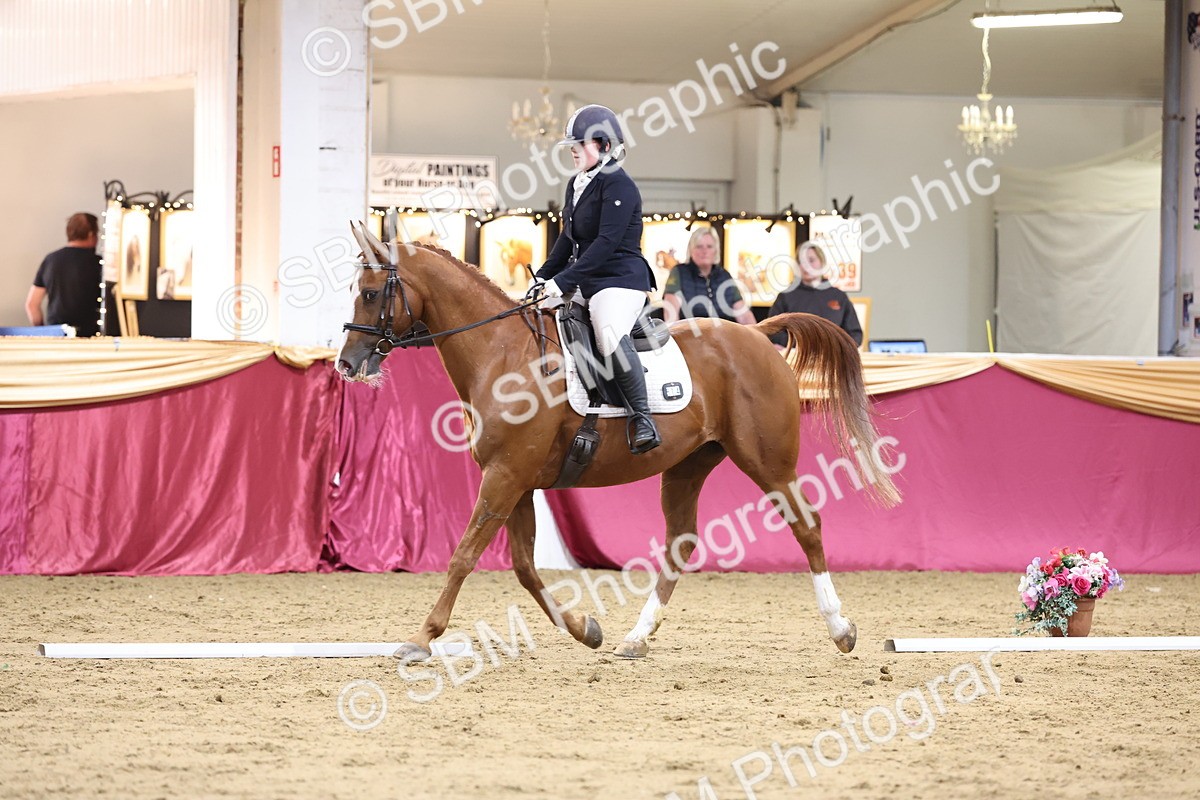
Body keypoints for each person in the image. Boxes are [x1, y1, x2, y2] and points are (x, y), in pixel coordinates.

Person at [535, 104, 661, 454]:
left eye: (580, 144)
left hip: (619, 280)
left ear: (604, 145)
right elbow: (566, 240)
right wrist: (543, 277)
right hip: (586, 279)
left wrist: (563, 282)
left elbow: (606, 244)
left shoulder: (619, 184)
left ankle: (642, 417)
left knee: (606, 332)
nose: (573, 150)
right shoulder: (576, 184)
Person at [768, 242, 862, 347]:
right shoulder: (786, 296)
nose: (806, 266)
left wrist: (839, 349)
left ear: (822, 262)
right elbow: (772, 331)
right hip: (796, 359)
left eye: (811, 260)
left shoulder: (839, 296)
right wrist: (799, 345)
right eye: (801, 262)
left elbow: (855, 333)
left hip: (833, 359)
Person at [26, 212, 102, 337]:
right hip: (90, 337)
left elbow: (32, 304)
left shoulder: (50, 260)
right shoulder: (98, 263)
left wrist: (41, 332)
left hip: (56, 335)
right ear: (91, 234)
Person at [662, 226, 757, 325]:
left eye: (709, 246)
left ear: (716, 250)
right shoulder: (679, 273)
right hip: (690, 336)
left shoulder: (724, 276)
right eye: (699, 246)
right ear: (691, 250)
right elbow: (671, 316)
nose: (704, 251)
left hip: (723, 337)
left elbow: (744, 316)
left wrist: (758, 337)